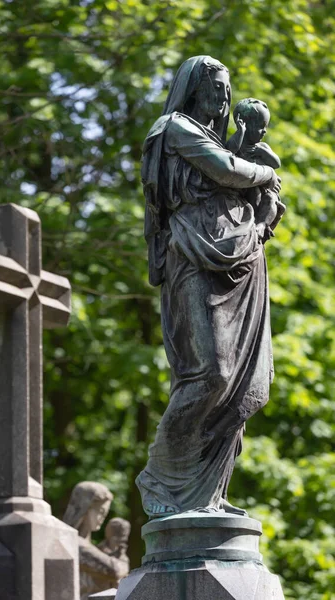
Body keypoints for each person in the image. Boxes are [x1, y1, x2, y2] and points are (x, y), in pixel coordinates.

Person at [136, 56, 281, 519]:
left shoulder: (217, 138)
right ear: (193, 88)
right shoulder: (175, 127)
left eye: (227, 89)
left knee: (243, 385)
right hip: (195, 253)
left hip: (239, 257)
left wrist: (253, 159)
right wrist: (264, 172)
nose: (223, 97)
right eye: (215, 88)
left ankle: (206, 492)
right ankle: (160, 476)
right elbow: (225, 171)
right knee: (211, 373)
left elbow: (235, 171)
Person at [227, 97, 285, 240]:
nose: (264, 131)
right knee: (253, 196)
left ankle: (263, 225)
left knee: (270, 199)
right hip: (244, 190)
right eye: (260, 126)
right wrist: (240, 133)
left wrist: (262, 152)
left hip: (265, 190)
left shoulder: (262, 147)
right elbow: (228, 153)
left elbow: (276, 163)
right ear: (245, 123)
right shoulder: (237, 143)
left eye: (265, 126)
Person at [63, 482, 128, 600]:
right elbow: (114, 570)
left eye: (105, 514)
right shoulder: (73, 542)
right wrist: (123, 562)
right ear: (85, 508)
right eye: (101, 512)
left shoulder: (89, 545)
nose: (102, 519)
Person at [98, 518, 131, 588]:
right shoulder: (99, 551)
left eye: (125, 535)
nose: (125, 539)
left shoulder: (123, 555)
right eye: (122, 535)